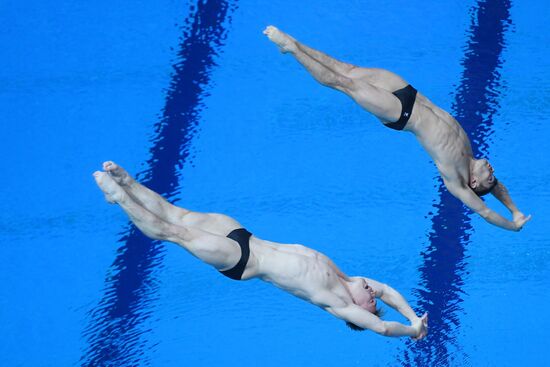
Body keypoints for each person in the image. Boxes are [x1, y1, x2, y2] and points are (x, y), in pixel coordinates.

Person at [93, 161, 428, 338]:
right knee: (176, 214)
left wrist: (410, 331)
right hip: (243, 235)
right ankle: (129, 185)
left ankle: (119, 199)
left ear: (361, 310)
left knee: (173, 232)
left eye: (371, 301)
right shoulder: (350, 279)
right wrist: (413, 315)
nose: (373, 291)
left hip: (241, 261)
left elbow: (383, 328)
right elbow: (387, 292)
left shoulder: (339, 304)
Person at [263, 26, 531, 232]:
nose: (493, 172)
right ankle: (295, 44)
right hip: (408, 93)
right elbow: (497, 188)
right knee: (348, 68)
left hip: (399, 113)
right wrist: (515, 209)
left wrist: (511, 225)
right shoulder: (468, 153)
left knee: (343, 83)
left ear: (474, 183)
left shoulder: (457, 181)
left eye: (489, 178)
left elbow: (484, 212)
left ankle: (292, 50)